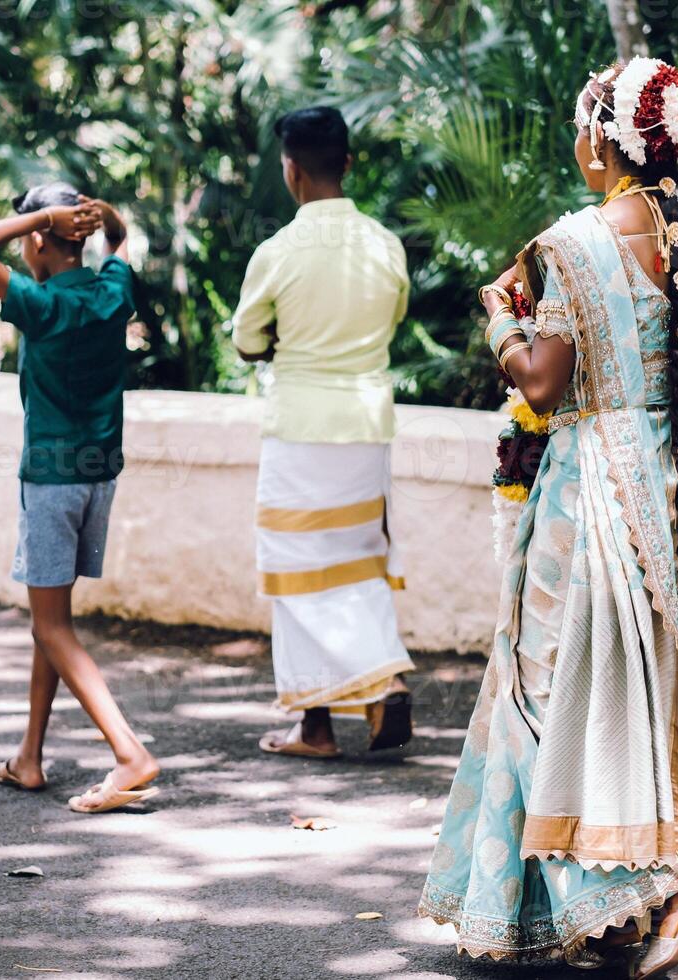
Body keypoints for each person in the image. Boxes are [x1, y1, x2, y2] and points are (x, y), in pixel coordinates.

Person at [419, 60, 678, 975]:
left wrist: (498, 326)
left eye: (578, 127)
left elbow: (545, 381)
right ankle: (613, 895)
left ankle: (664, 882)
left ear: (603, 137)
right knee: (627, 686)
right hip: (671, 486)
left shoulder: (573, 241)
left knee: (553, 686)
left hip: (588, 480)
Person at [0, 183, 159, 815]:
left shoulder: (38, 305)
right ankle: (29, 758)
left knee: (50, 624)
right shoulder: (110, 291)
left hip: (51, 479)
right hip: (100, 478)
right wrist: (98, 215)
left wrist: (43, 215)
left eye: (28, 239)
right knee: (55, 615)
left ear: (40, 239)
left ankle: (130, 753)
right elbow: (122, 238)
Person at [231, 105, 416, 760]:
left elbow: (249, 340)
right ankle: (335, 716)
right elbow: (392, 318)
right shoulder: (384, 245)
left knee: (295, 571)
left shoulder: (277, 253)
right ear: (347, 163)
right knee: (356, 560)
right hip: (366, 427)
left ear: (291, 170)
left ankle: (366, 689)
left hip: (301, 427)